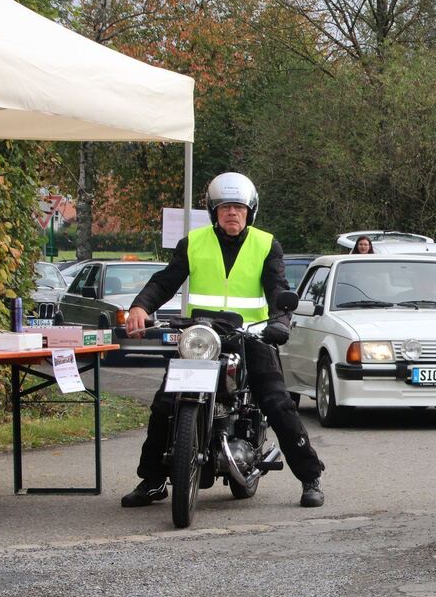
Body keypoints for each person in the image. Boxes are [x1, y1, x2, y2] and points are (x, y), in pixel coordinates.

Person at [122, 172, 325, 509]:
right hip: (201, 338)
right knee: (164, 405)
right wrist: (140, 306)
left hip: (251, 337)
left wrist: (281, 320)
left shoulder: (266, 244)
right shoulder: (193, 243)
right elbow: (165, 281)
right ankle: (153, 480)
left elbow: (277, 288)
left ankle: (310, 477)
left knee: (277, 402)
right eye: (225, 207)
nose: (232, 212)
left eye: (239, 207)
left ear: (250, 211)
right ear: (213, 211)